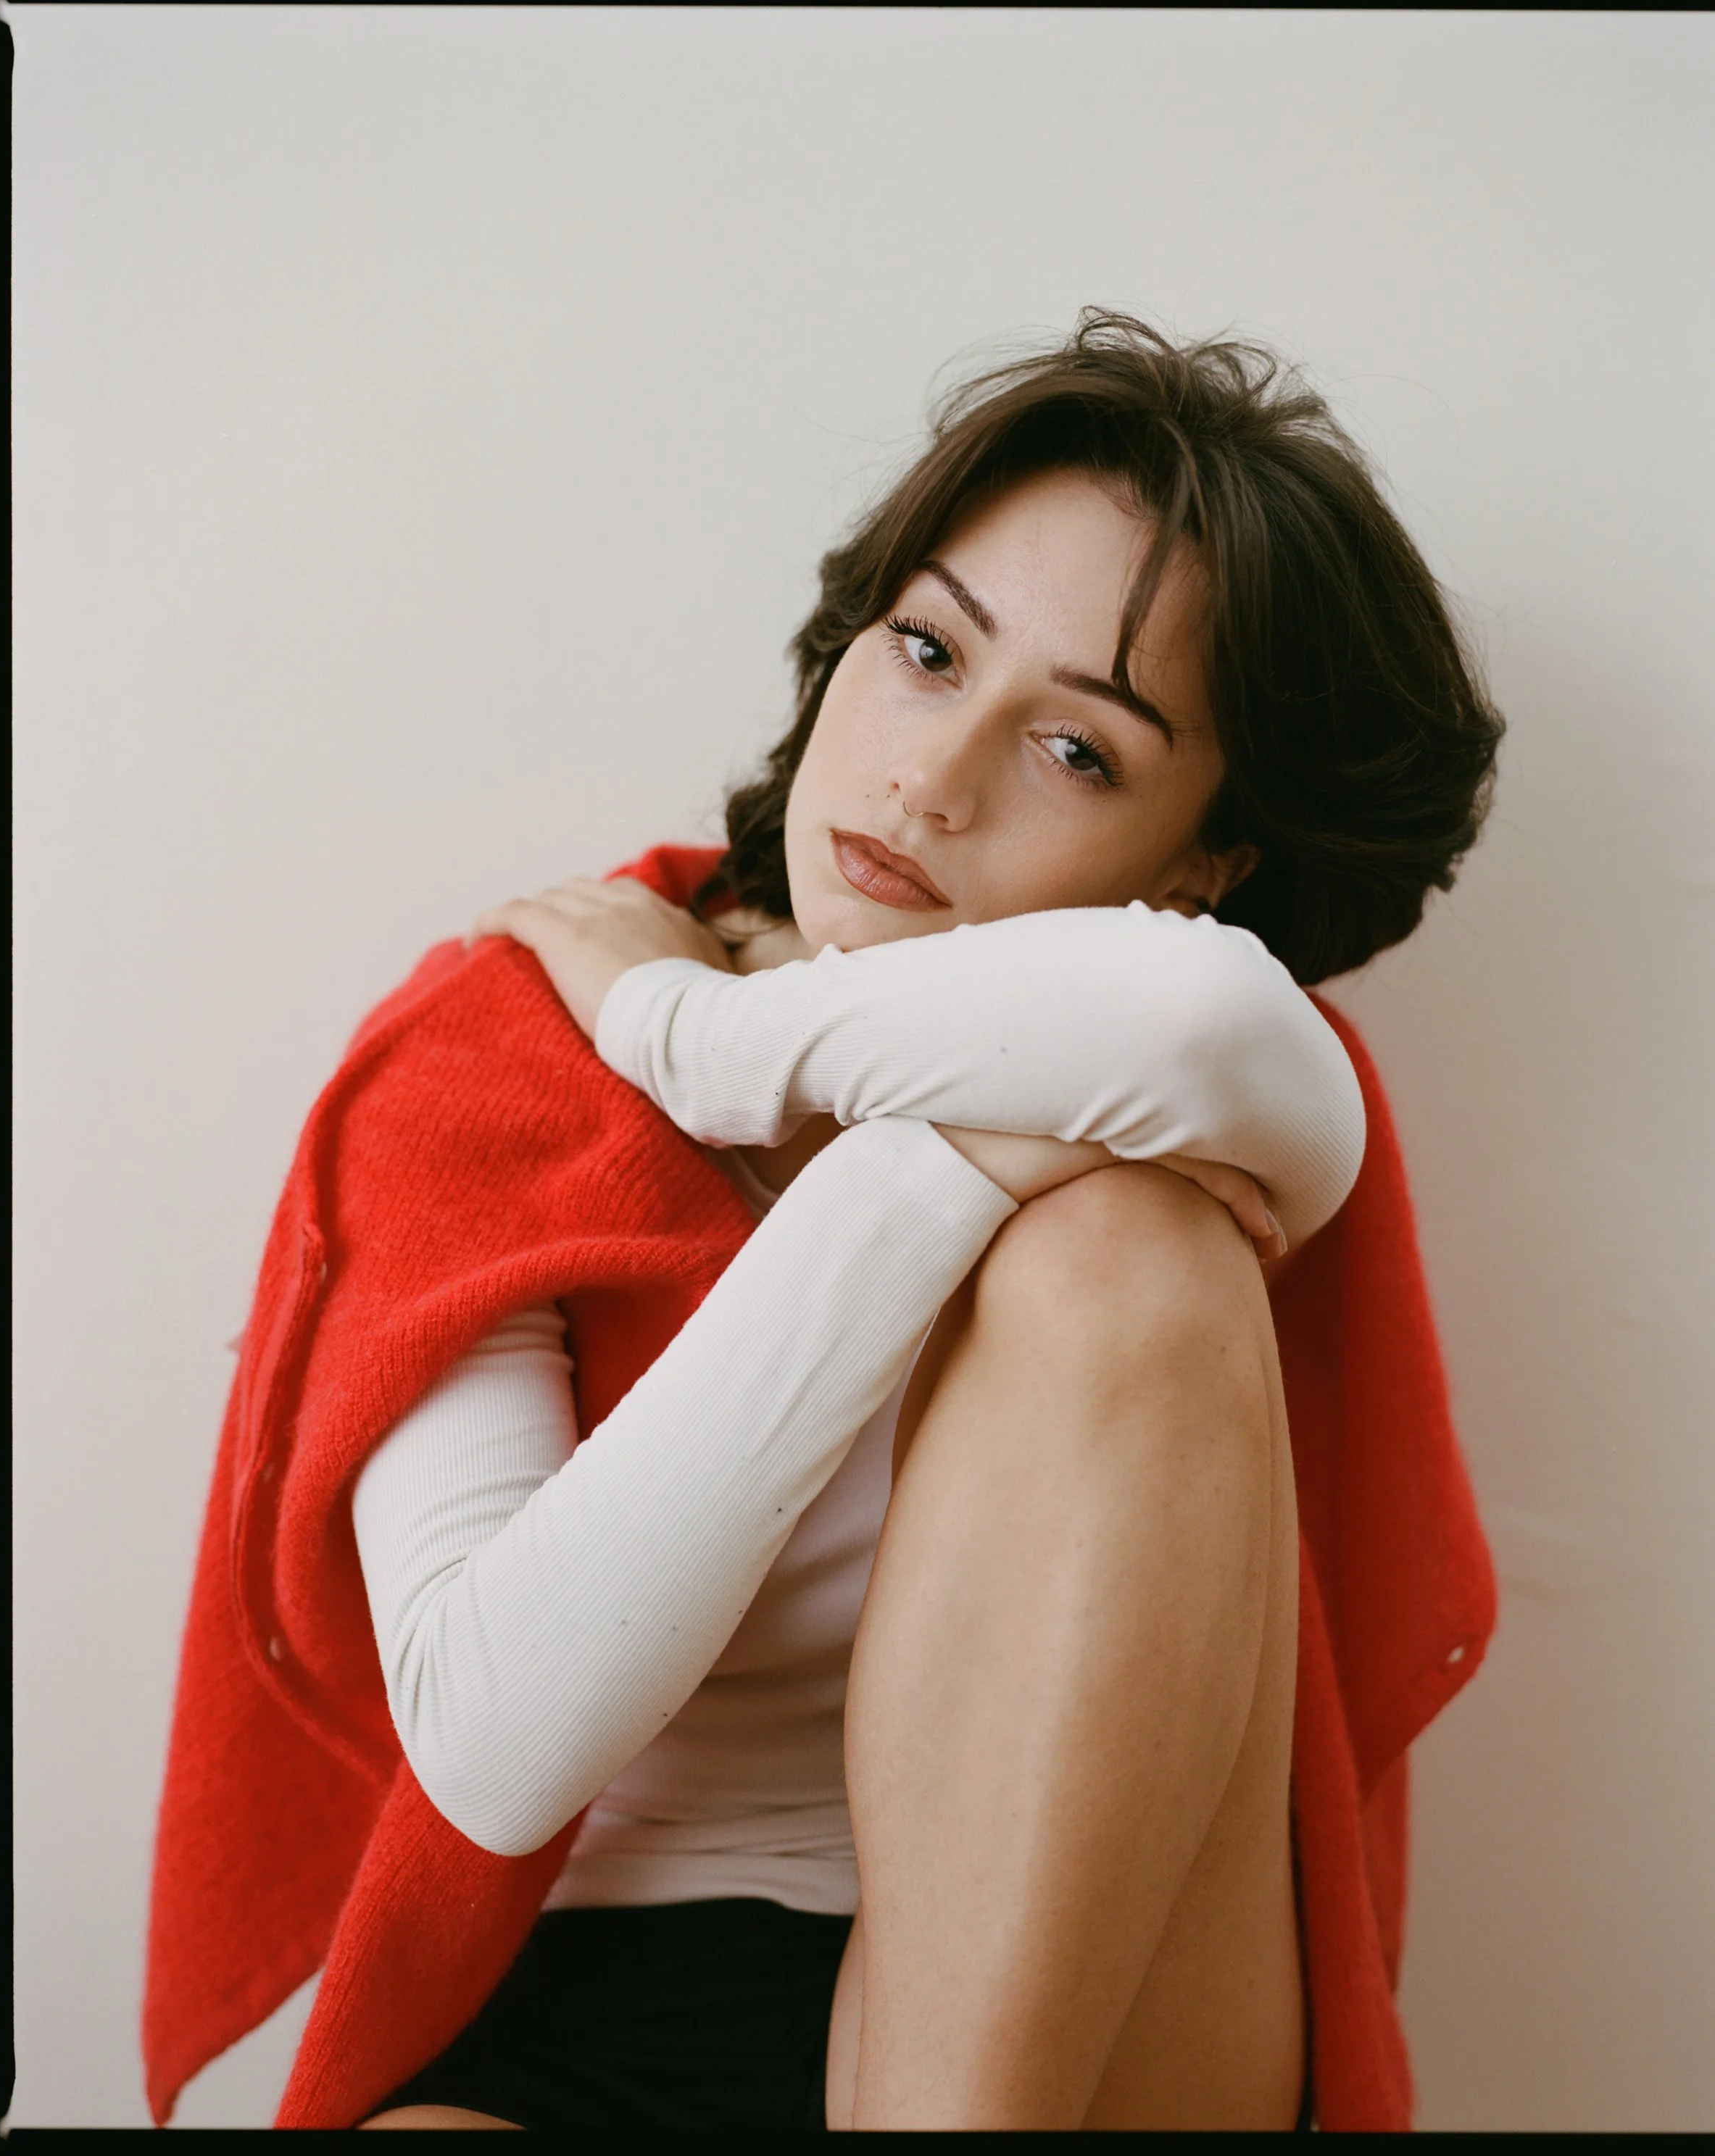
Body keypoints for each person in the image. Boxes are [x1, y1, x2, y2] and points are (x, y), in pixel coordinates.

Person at [144, 313, 1503, 2133]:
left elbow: (1208, 1025)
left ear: (1204, 865)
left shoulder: (1192, 1087)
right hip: (594, 1994)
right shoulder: (503, 1043)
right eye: (927, 650)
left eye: (1076, 749)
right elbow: (488, 1733)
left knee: (1127, 1250)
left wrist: (695, 1040)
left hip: (1095, 2005)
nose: (934, 776)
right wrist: (927, 1168)